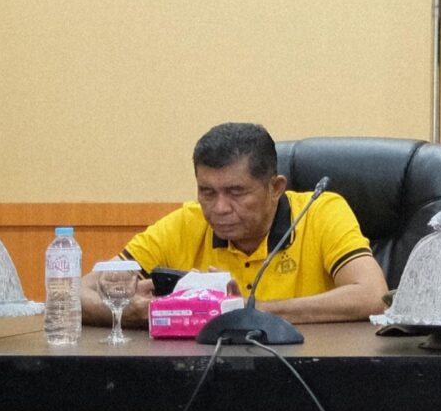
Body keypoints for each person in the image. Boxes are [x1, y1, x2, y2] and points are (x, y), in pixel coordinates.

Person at [84, 122, 386, 327]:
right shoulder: (185, 224)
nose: (219, 208)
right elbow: (76, 293)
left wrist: (248, 311)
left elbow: (373, 296)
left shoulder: (320, 212)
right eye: (207, 192)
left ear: (275, 188)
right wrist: (126, 312)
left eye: (236, 192)